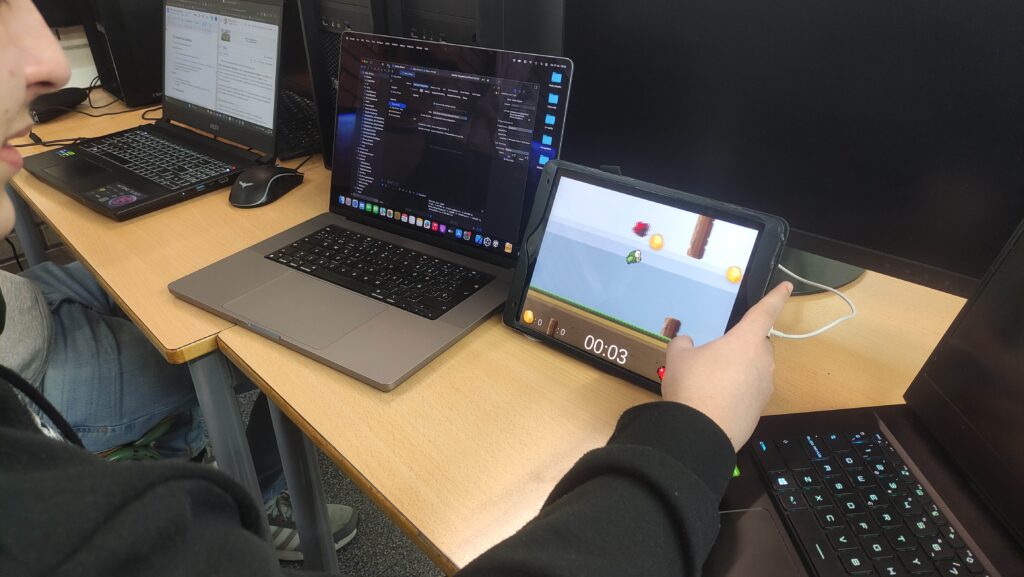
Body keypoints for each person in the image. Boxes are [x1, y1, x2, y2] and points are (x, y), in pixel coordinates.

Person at [1, 0, 794, 574]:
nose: (47, 61)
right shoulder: (100, 535)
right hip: (47, 346)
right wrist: (690, 435)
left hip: (24, 315)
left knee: (236, 331)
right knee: (254, 355)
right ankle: (236, 471)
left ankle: (239, 464)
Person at [0, 0, 355, 561]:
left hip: (22, 304)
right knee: (283, 345)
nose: (52, 65)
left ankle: (176, 442)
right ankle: (260, 501)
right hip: (36, 374)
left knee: (166, 274)